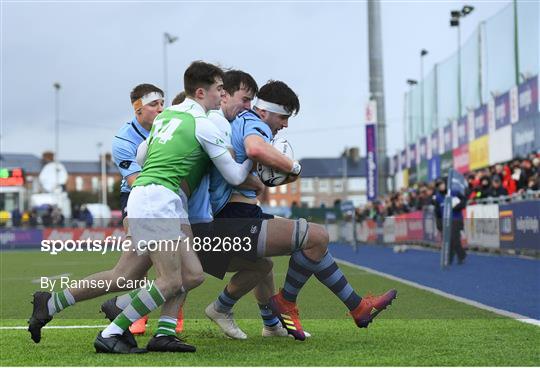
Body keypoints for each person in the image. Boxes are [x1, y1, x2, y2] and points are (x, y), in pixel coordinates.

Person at [203, 80, 397, 341]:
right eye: (283, 117)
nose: (285, 124)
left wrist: (274, 177)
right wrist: (293, 167)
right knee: (318, 236)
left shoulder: (245, 122)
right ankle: (284, 302)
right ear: (265, 111)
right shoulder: (253, 122)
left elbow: (253, 169)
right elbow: (254, 148)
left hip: (236, 217)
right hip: (234, 220)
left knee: (298, 252)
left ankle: (356, 307)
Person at [93, 60, 254, 354]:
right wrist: (252, 159)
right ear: (202, 92)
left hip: (156, 199)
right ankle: (112, 331)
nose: (223, 94)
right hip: (159, 201)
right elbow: (234, 176)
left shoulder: (167, 116)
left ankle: (162, 335)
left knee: (192, 275)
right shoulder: (203, 122)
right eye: (219, 88)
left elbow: (143, 155)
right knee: (166, 281)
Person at [433, 178, 467, 265]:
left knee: (455, 238)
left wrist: (457, 206)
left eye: (442, 184)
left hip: (456, 219)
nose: (441, 186)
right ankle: (451, 257)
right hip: (446, 220)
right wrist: (439, 224)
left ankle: (461, 255)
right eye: (439, 185)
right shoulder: (438, 197)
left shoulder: (454, 192)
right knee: (448, 240)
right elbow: (437, 212)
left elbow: (464, 201)